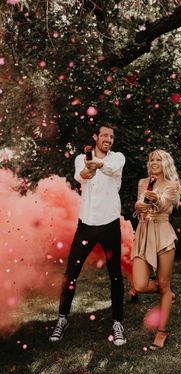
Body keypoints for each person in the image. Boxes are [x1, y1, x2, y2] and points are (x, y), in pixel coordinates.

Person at [49, 123, 127, 346]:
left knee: (115, 276)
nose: (108, 139)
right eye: (104, 135)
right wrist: (88, 168)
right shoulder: (79, 158)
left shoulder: (117, 158)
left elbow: (110, 169)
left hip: (110, 224)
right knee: (71, 273)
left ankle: (118, 323)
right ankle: (62, 318)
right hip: (86, 225)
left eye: (111, 136)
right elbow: (81, 175)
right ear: (96, 137)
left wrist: (98, 164)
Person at [132, 149, 181, 349]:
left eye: (158, 160)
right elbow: (140, 205)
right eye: (151, 159)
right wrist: (138, 206)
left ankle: (162, 332)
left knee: (164, 282)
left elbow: (163, 205)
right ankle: (167, 293)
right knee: (140, 284)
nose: (154, 162)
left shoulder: (172, 184)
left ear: (165, 164)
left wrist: (154, 199)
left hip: (162, 234)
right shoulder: (143, 183)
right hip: (144, 232)